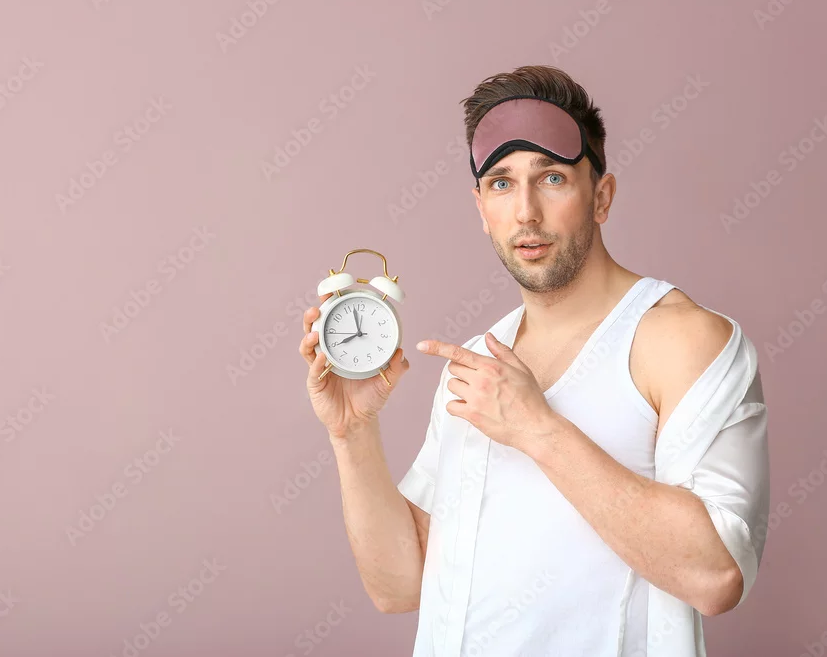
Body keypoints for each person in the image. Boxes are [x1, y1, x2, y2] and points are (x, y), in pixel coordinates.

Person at [297, 65, 769, 657]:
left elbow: (718, 576)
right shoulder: (478, 366)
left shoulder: (679, 339)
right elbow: (400, 585)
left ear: (601, 196)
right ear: (480, 207)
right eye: (501, 183)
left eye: (551, 177)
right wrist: (353, 432)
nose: (525, 212)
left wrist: (537, 429)